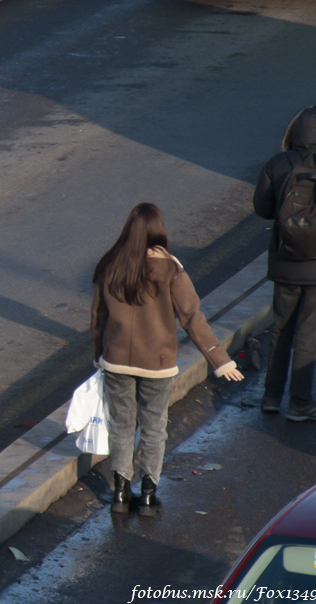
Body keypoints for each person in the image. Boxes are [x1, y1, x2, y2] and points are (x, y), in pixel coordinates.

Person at [91, 203, 243, 517]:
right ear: (158, 230)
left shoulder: (110, 264)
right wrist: (221, 360)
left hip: (116, 358)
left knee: (120, 426)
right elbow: (192, 317)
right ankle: (148, 493)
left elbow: (98, 317)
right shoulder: (171, 269)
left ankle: (120, 491)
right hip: (158, 363)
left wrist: (99, 356)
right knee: (154, 427)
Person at [253, 106, 316, 422]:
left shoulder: (278, 164)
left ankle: (271, 396)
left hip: (285, 260)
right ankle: (300, 403)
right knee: (307, 334)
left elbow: (261, 208)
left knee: (280, 329)